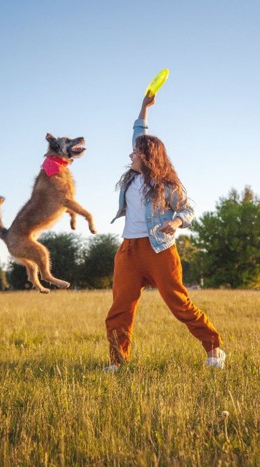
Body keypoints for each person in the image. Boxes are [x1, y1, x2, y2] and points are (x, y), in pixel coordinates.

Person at [104, 94, 225, 372]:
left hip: (159, 250)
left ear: (146, 156)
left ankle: (214, 348)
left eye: (135, 152)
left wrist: (177, 223)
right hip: (128, 251)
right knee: (120, 308)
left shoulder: (166, 185)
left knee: (178, 303)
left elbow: (188, 210)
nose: (130, 154)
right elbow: (139, 131)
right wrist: (145, 107)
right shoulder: (133, 178)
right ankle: (117, 361)